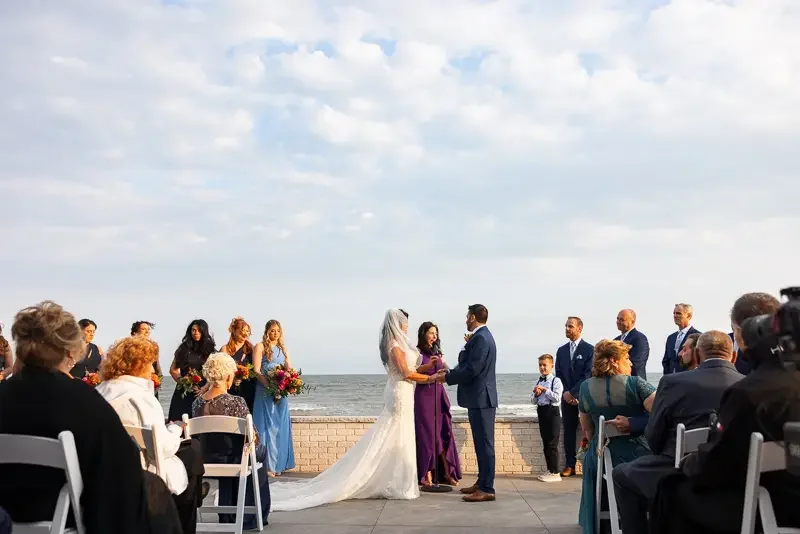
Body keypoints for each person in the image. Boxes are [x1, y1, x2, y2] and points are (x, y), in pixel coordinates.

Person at [0, 301, 176, 533]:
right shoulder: (81, 400)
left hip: (6, 511)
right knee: (153, 490)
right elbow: (122, 461)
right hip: (64, 514)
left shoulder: (5, 395)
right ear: (70, 350)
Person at [650, 292, 800, 533]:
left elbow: (715, 465)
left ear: (743, 334)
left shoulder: (750, 392)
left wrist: (688, 464)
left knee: (671, 489)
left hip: (770, 507)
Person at [268, 309, 436, 511]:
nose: (407, 325)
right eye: (404, 321)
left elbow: (413, 371)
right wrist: (432, 378)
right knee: (395, 433)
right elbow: (406, 373)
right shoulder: (395, 345)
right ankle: (395, 483)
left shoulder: (399, 344)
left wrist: (429, 368)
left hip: (406, 393)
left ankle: (397, 480)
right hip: (399, 393)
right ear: (398, 323)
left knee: (401, 435)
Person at [612, 331, 743, 534]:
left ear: (698, 355)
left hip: (677, 470)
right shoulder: (747, 384)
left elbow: (654, 438)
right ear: (733, 356)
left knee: (621, 474)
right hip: (734, 475)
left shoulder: (673, 382)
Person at [96, 336, 207, 534]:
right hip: (143, 471)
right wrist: (175, 429)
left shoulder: (99, 392)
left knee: (191, 454)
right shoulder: (140, 397)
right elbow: (162, 448)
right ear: (139, 364)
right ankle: (191, 506)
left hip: (105, 469)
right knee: (192, 450)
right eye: (151, 364)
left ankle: (196, 492)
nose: (154, 370)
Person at [576, 339, 656, 534]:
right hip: (637, 454)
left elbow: (588, 429)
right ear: (613, 361)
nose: (631, 363)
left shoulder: (585, 388)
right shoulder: (636, 384)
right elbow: (660, 414)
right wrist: (634, 424)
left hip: (602, 457)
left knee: (591, 457)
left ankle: (598, 523)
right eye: (626, 358)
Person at [193, 353, 271, 529]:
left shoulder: (196, 404)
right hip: (233, 461)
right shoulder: (236, 402)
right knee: (260, 451)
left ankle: (227, 515)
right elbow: (253, 438)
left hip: (206, 461)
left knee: (230, 449)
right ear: (228, 376)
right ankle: (253, 516)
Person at [435, 304, 498, 503]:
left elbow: (473, 369)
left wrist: (448, 377)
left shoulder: (480, 338)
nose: (465, 320)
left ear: (472, 317)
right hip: (479, 398)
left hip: (482, 398)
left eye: (466, 316)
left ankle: (487, 488)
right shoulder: (482, 336)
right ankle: (482, 482)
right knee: (481, 443)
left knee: (485, 444)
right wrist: (451, 373)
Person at [414, 321, 461, 487]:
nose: (434, 336)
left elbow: (449, 370)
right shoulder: (416, 352)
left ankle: (447, 473)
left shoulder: (439, 353)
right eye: (431, 333)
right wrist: (429, 365)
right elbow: (413, 372)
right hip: (424, 396)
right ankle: (426, 474)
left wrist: (449, 370)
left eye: (436, 333)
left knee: (442, 434)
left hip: (439, 394)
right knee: (427, 435)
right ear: (423, 333)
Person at [252, 319, 295, 476]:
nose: (274, 333)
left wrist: (289, 383)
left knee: (279, 428)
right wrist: (270, 386)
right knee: (265, 428)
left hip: (280, 393)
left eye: (277, 330)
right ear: (266, 331)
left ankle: (279, 464)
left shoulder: (283, 349)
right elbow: (256, 371)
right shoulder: (260, 347)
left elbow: (288, 369)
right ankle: (267, 466)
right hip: (265, 392)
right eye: (272, 330)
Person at [555, 316, 594, 478]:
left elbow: (588, 374)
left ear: (579, 328)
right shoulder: (561, 350)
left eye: (570, 326)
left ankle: (591, 464)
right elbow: (558, 374)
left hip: (584, 397)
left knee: (589, 430)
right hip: (566, 399)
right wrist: (566, 393)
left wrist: (575, 393)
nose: (567, 329)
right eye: (566, 326)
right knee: (569, 432)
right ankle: (570, 465)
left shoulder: (589, 349)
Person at [167, 319, 216, 422]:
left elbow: (214, 373)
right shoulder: (183, 348)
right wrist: (183, 382)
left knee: (201, 424)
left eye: (199, 330)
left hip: (203, 392)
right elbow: (173, 370)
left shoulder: (211, 350)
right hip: (183, 392)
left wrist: (204, 388)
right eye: (193, 330)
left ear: (204, 331)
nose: (196, 333)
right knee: (177, 422)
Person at [530, 354, 563, 482]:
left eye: (545, 365)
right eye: (540, 365)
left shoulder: (556, 381)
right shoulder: (538, 381)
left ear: (551, 366)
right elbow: (532, 401)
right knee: (545, 443)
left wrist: (544, 390)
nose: (542, 368)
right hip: (542, 411)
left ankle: (555, 472)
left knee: (552, 443)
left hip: (552, 412)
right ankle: (550, 470)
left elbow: (557, 397)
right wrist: (536, 394)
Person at [220, 317, 255, 413]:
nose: (245, 333)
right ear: (234, 331)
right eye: (242, 330)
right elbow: (221, 370)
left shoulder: (252, 349)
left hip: (248, 389)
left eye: (247, 331)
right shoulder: (225, 349)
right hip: (230, 388)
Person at [661, 303, 701, 374]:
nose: (675, 316)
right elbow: (666, 361)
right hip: (672, 380)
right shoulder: (671, 338)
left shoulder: (698, 336)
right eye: (674, 313)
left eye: (679, 313)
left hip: (688, 378)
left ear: (689, 316)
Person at [613, 309, 649, 379]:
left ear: (632, 322)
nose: (618, 322)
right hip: (617, 382)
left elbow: (636, 363)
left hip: (634, 382)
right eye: (618, 319)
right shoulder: (615, 340)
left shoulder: (639, 338)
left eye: (622, 320)